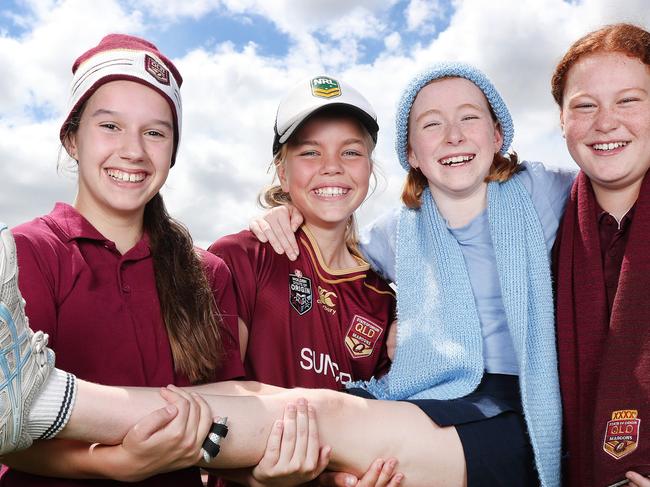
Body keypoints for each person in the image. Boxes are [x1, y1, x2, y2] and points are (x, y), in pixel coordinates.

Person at [250, 63, 577, 486]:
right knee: (317, 417)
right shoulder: (396, 230)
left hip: (518, 394)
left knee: (323, 420)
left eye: (469, 117)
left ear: (497, 135)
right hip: (432, 386)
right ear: (411, 154)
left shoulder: (545, 189)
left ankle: (172, 416)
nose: (453, 135)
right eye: (432, 124)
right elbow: (336, 253)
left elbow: (620, 186)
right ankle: (173, 413)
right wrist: (290, 211)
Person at [0, 34, 244, 487]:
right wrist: (111, 464)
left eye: (155, 132)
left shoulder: (208, 273)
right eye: (109, 126)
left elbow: (230, 409)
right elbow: (9, 428)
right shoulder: (23, 254)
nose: (133, 150)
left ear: (172, 151)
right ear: (72, 138)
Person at [207, 76, 400, 485]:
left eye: (351, 151)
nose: (332, 166)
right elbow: (208, 406)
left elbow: (381, 423)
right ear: (282, 169)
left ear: (369, 167)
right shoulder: (241, 257)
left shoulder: (383, 298)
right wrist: (259, 477)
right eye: (310, 152)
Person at [551, 23, 650, 487]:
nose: (605, 122)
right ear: (561, 122)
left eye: (629, 100)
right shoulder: (537, 220)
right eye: (584, 106)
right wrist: (298, 218)